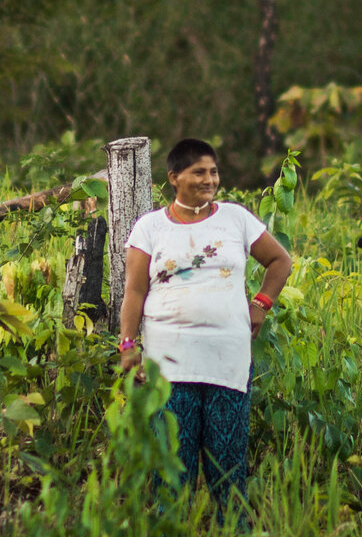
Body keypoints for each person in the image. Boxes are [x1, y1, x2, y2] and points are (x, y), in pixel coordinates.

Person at [121, 138, 293, 517]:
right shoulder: (149, 227)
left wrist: (260, 304)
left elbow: (280, 261)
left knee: (227, 461)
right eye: (199, 172)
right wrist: (128, 344)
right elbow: (134, 291)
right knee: (171, 461)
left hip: (227, 359)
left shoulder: (236, 219)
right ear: (174, 178)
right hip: (168, 363)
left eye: (213, 171)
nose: (209, 179)